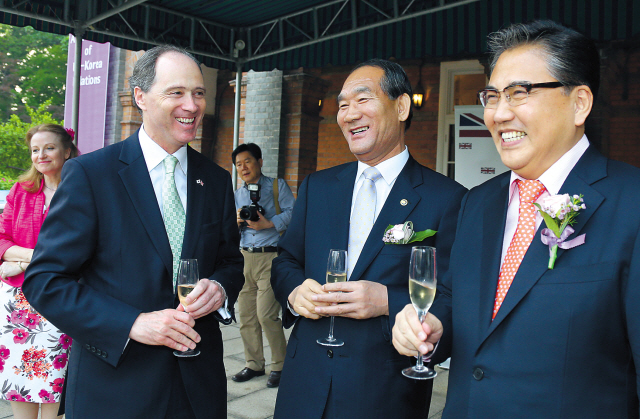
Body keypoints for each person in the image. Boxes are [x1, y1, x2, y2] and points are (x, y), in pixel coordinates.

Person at [392, 20, 640, 418]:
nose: (498, 113)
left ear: (579, 103)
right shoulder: (477, 203)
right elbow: (457, 300)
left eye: (519, 93)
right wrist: (432, 327)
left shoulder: (631, 203)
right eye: (491, 96)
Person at [22, 45, 244, 419]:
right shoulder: (92, 175)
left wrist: (220, 288)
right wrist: (132, 323)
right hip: (116, 390)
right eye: (176, 92)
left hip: (198, 387)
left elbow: (229, 261)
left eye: (199, 92)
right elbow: (45, 280)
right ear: (140, 97)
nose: (191, 105)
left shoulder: (217, 180)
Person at [270, 58, 466, 419]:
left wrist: (387, 301)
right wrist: (296, 292)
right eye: (342, 105)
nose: (348, 114)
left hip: (385, 389)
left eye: (362, 100)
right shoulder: (319, 186)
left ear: (402, 106)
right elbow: (285, 262)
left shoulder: (448, 199)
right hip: (304, 383)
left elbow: (457, 300)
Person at [0, 124, 77, 419]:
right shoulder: (21, 191)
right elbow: (2, 239)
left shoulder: (81, 192)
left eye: (49, 148)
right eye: (35, 150)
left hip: (60, 298)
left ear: (67, 151)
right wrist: (36, 257)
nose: (40, 155)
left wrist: (19, 261)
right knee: (19, 378)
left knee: (55, 381)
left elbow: (79, 251)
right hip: (17, 302)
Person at [231, 143, 294, 388]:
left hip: (271, 257)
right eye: (238, 164)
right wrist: (236, 222)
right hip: (245, 257)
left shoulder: (277, 186)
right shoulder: (238, 194)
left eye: (247, 161)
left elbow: (294, 211)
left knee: (266, 314)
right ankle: (254, 364)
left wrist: (269, 223)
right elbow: (232, 228)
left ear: (259, 161)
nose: (243, 167)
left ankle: (280, 365)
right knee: (246, 315)